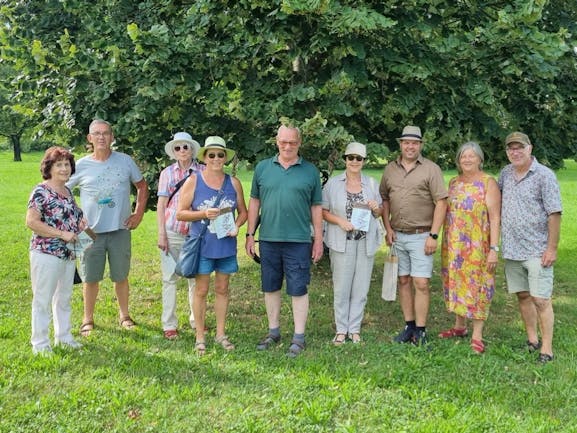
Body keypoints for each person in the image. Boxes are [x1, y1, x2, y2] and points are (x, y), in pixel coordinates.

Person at [245, 125, 324, 358]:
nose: (287, 146)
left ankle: (299, 337)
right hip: (269, 239)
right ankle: (274, 332)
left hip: (298, 240)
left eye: (292, 142)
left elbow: (316, 206)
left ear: (299, 143)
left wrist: (318, 239)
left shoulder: (310, 171)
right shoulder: (262, 168)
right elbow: (255, 203)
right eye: (283, 142)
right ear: (276, 141)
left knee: (298, 288)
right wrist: (250, 234)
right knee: (270, 286)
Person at [67, 119, 149, 336]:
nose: (102, 137)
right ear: (89, 138)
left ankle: (124, 315)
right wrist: (77, 218)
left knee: (120, 275)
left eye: (106, 133)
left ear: (112, 137)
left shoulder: (125, 161)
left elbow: (141, 186)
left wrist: (138, 213)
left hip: (120, 229)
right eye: (97, 133)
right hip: (89, 232)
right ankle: (87, 319)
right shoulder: (81, 165)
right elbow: (63, 191)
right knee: (90, 277)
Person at [176, 136, 247, 355]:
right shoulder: (194, 180)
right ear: (205, 157)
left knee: (223, 289)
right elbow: (181, 212)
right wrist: (203, 213)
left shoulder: (233, 183)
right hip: (203, 244)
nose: (216, 159)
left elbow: (243, 212)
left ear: (226, 158)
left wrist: (236, 225)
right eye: (212, 155)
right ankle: (199, 336)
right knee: (201, 290)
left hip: (225, 244)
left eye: (220, 155)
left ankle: (220, 334)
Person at [379, 125, 448, 346]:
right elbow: (385, 199)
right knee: (404, 280)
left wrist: (434, 235)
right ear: (400, 144)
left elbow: (442, 202)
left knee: (421, 282)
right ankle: (409, 327)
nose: (410, 146)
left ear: (420, 145)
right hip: (398, 235)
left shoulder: (431, 169)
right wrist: (387, 228)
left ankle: (421, 330)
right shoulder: (390, 169)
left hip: (422, 235)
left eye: (415, 143)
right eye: (406, 142)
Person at [498, 132, 562, 363]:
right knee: (523, 296)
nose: (515, 152)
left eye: (519, 148)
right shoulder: (505, 173)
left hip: (537, 249)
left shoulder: (544, 175)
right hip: (513, 249)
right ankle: (532, 340)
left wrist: (551, 248)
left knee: (541, 299)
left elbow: (554, 214)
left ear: (530, 148)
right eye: (510, 148)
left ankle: (547, 349)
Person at [440, 141, 501, 353]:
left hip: (478, 245)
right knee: (457, 282)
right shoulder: (453, 183)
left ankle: (477, 334)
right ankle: (459, 327)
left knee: (479, 285)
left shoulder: (488, 182)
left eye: (471, 156)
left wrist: (494, 248)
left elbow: (495, 217)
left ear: (480, 159)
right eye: (463, 156)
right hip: (455, 244)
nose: (467, 159)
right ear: (458, 160)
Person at [26, 147, 86, 354]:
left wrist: (80, 222)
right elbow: (32, 222)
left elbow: (71, 217)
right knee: (43, 299)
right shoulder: (40, 191)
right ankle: (40, 344)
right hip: (45, 252)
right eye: (59, 164)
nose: (64, 169)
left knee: (64, 297)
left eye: (67, 164)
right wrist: (62, 234)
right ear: (49, 168)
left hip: (68, 253)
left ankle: (64, 337)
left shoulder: (67, 191)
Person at [322, 142, 383, 345]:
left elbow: (380, 212)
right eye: (351, 158)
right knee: (341, 287)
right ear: (345, 160)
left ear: (364, 161)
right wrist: (340, 221)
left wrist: (376, 208)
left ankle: (354, 329)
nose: (354, 161)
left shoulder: (372, 184)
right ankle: (341, 330)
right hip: (342, 241)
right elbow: (323, 211)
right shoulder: (333, 184)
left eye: (359, 158)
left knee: (361, 287)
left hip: (365, 242)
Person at [157, 132, 204, 340]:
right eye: (178, 148)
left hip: (195, 232)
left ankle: (197, 320)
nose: (182, 151)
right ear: (173, 152)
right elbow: (161, 204)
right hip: (172, 230)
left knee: (196, 278)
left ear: (192, 149)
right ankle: (169, 324)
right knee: (169, 278)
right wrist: (161, 234)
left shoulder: (203, 171)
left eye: (186, 147)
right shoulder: (167, 173)